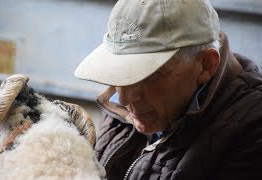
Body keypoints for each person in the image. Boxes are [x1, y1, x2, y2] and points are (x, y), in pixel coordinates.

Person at [75, 0, 262, 179]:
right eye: (122, 72)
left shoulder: (253, 130)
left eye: (147, 75)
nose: (123, 98)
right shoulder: (125, 103)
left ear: (206, 65)